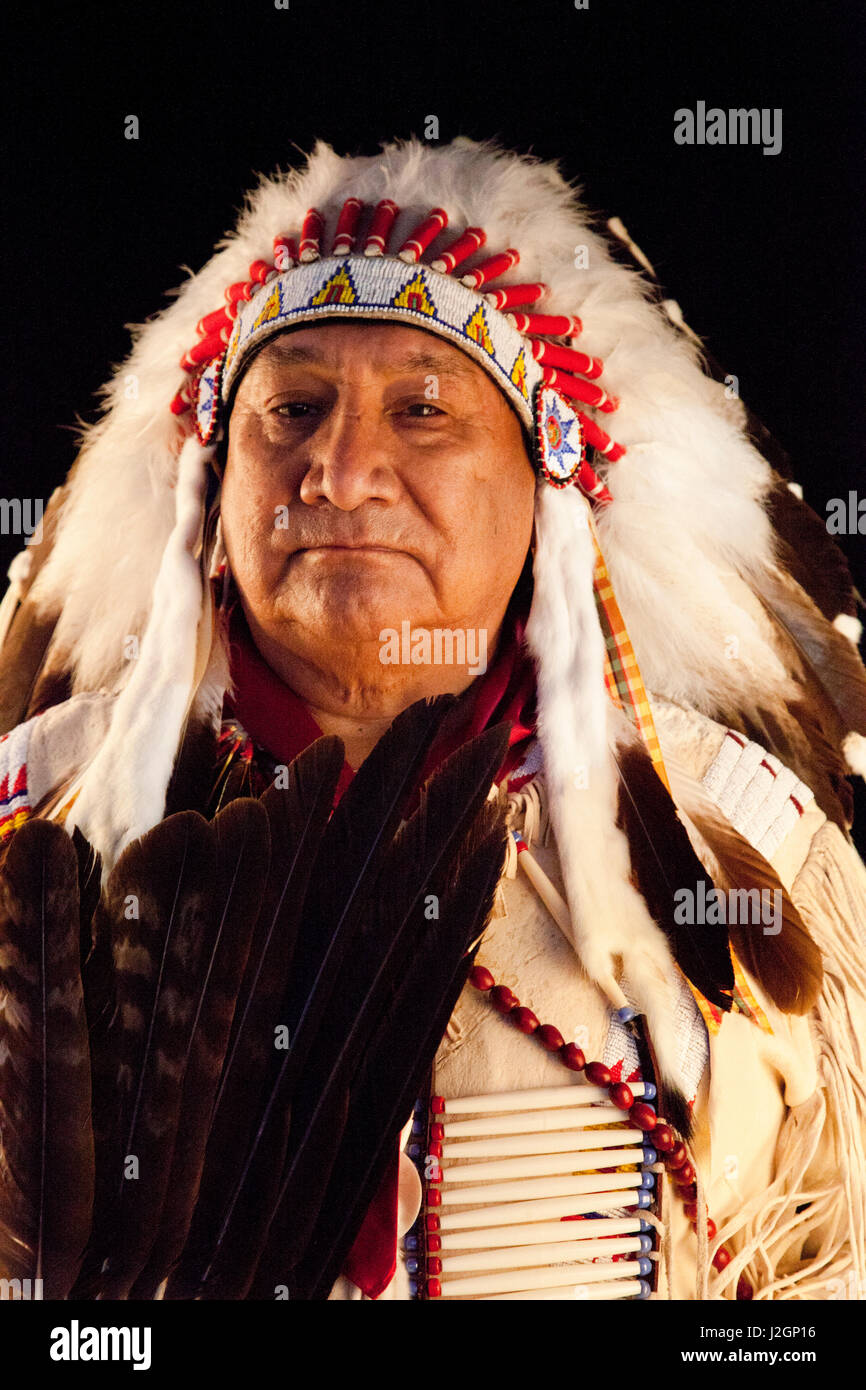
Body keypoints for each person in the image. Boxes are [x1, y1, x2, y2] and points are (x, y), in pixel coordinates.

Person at [1, 137, 864, 1302]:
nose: (341, 471)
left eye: (420, 411)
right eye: (293, 408)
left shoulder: (734, 842)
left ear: (549, 485)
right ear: (209, 484)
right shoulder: (37, 820)